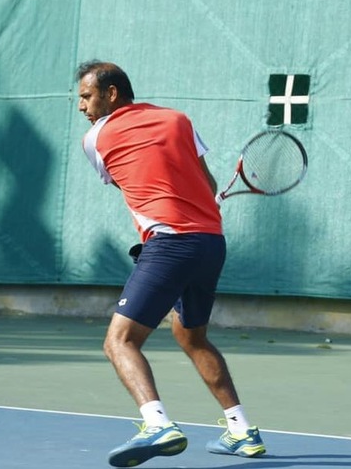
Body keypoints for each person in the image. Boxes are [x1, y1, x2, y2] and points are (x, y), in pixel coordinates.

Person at [76, 60, 265, 468]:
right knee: (192, 337)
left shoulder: (94, 140)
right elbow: (207, 185)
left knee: (119, 341)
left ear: (111, 93)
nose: (81, 106)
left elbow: (130, 181)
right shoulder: (179, 120)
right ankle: (242, 431)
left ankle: (157, 424)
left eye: (87, 97)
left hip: (170, 245)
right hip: (210, 244)